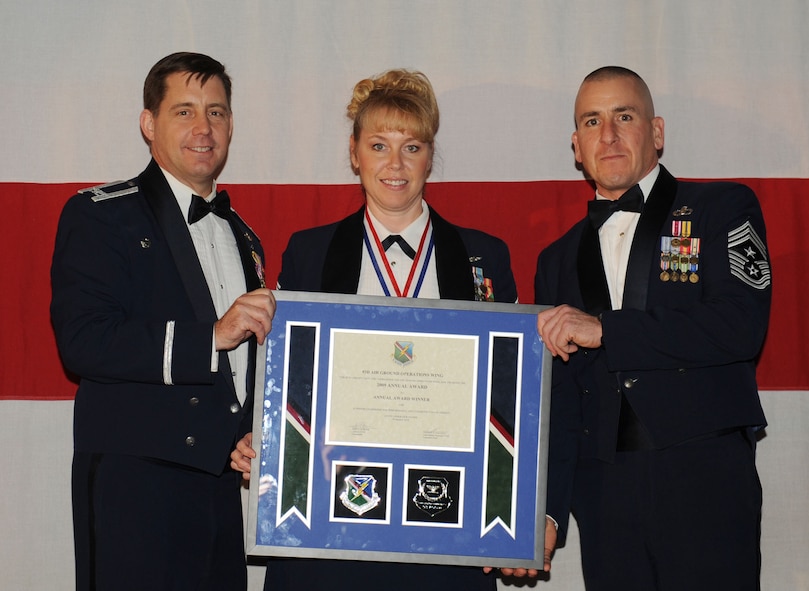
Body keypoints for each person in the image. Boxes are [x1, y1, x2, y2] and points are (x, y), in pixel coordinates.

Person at [230, 69, 517, 590]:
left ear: (430, 156)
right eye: (379, 145)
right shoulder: (309, 252)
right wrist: (259, 434)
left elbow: (508, 395)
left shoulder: (484, 256)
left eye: (412, 147)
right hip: (329, 515)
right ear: (354, 153)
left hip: (444, 517)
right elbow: (283, 374)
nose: (395, 164)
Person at [528, 66, 771, 589]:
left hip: (704, 481)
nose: (608, 135)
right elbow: (560, 399)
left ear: (656, 132)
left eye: (624, 116)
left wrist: (608, 330)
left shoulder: (721, 208)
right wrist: (547, 510)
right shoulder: (556, 259)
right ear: (576, 146)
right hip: (604, 498)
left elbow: (739, 325)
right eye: (592, 121)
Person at [50, 52, 276, 591]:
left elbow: (242, 371)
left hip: (221, 488)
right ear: (149, 124)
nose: (204, 128)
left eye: (216, 112)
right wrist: (210, 336)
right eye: (184, 111)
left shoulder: (244, 236)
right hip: (137, 485)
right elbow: (83, 341)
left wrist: (251, 432)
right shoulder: (102, 214)